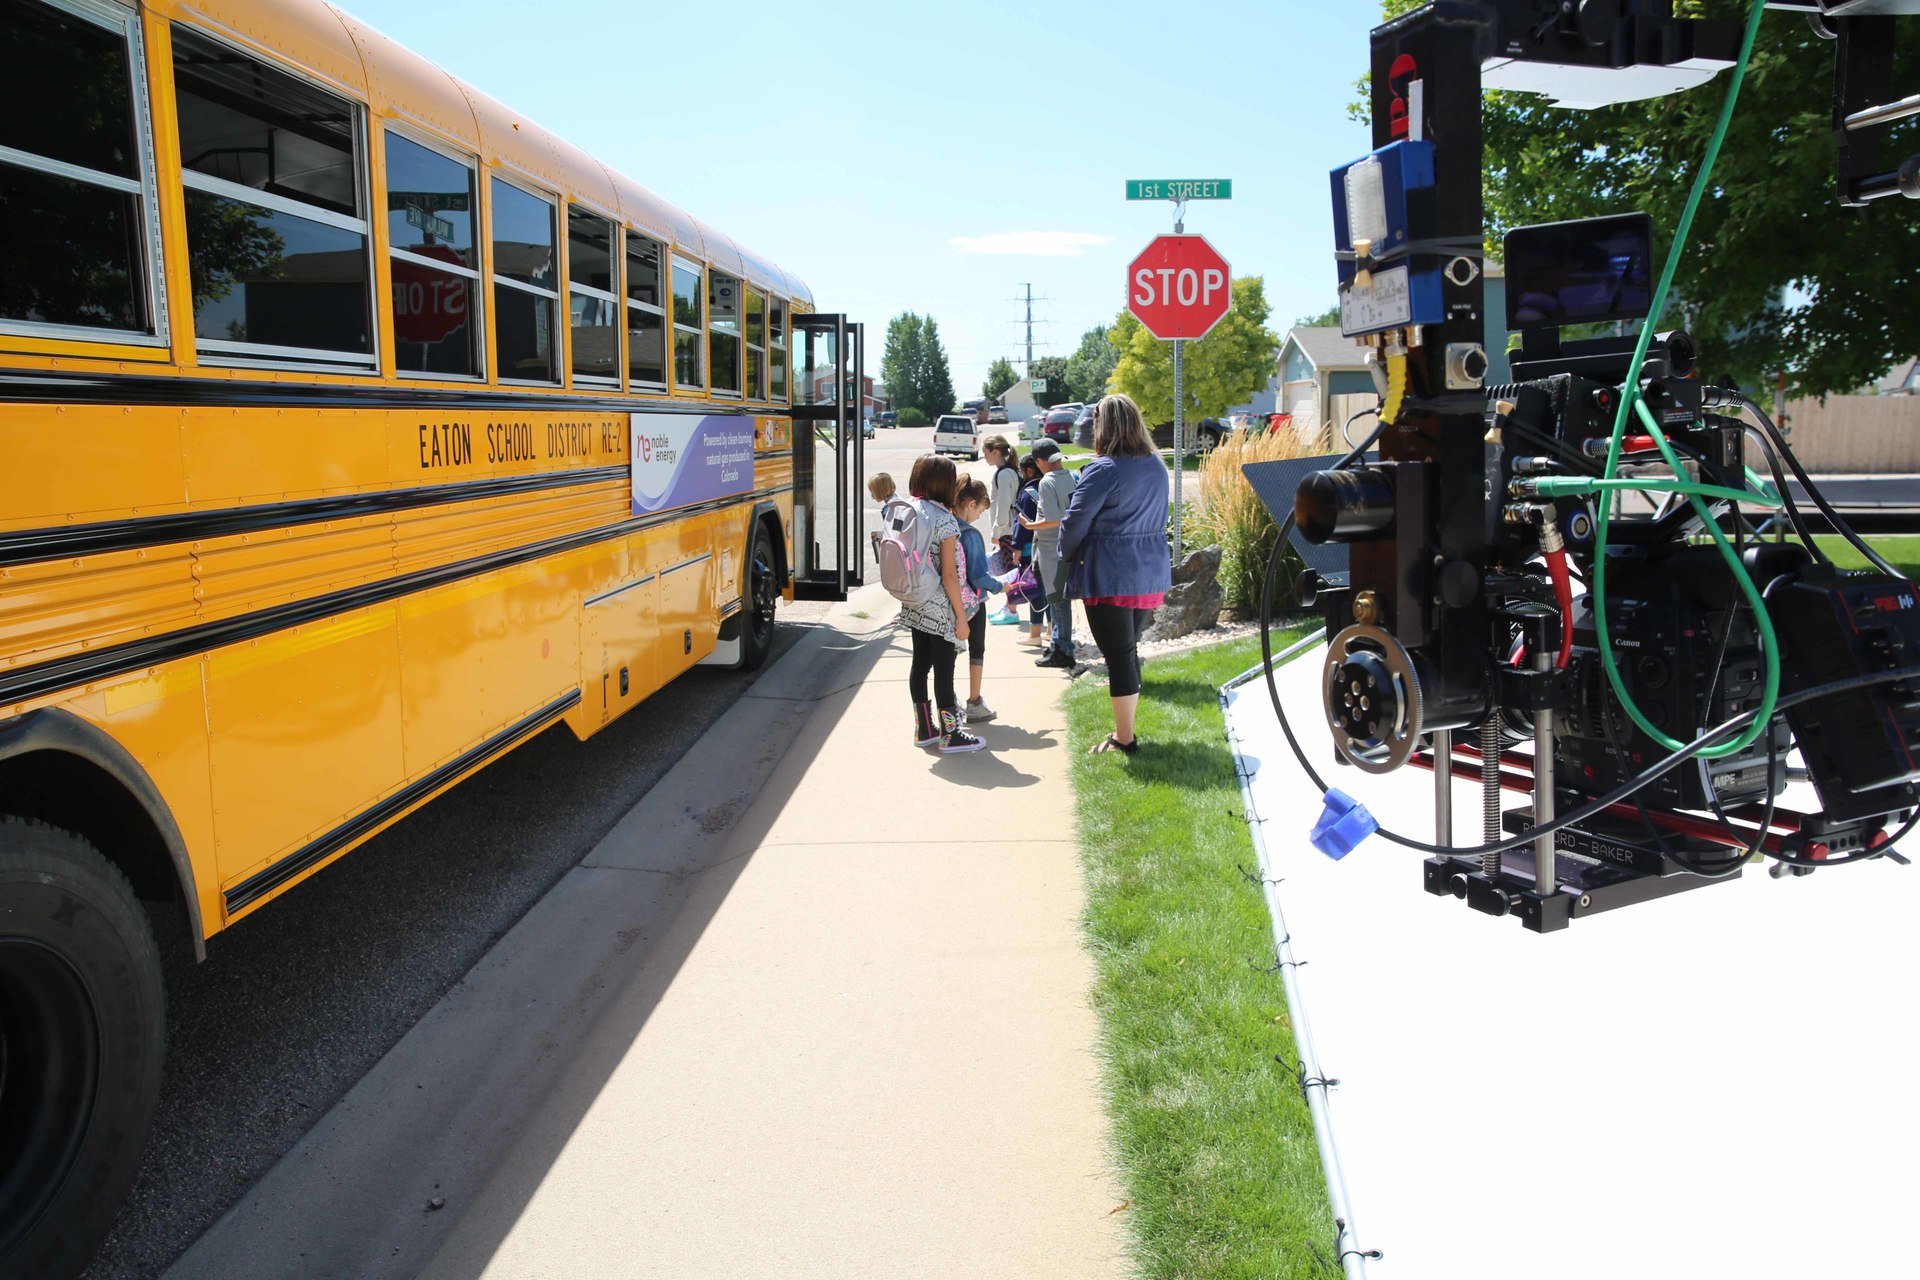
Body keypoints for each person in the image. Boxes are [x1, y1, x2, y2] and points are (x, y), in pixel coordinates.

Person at [1057, 393, 1171, 755]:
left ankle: (1125, 738)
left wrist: (1065, 553)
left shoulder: (1103, 469)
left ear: (1104, 427)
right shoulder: (1155, 465)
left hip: (1110, 576)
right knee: (1126, 652)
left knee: (1119, 656)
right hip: (1148, 574)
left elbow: (1074, 523)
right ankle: (1125, 729)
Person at [899, 455, 984, 754]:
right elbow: (950, 575)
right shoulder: (944, 519)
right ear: (945, 484)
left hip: (913, 601)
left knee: (920, 664)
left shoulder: (909, 510)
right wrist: (962, 619)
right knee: (944, 670)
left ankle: (924, 729)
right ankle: (950, 734)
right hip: (939, 607)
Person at [1018, 439, 1079, 669]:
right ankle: (1057, 644)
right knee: (1061, 601)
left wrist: (1028, 525)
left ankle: (1063, 650)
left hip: (1051, 549)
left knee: (1057, 600)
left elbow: (1053, 520)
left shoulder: (1046, 482)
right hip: (1069, 546)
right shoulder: (1072, 477)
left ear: (1041, 461)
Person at [951, 477, 1006, 722]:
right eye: (981, 510)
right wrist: (1000, 586)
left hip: (947, 600)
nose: (980, 516)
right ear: (971, 503)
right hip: (972, 602)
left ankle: (948, 699)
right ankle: (974, 701)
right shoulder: (970, 534)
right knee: (977, 649)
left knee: (949, 652)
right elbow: (977, 575)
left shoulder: (945, 525)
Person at [999, 455, 1043, 632]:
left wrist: (1016, 548)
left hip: (1028, 550)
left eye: (1022, 471)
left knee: (1033, 589)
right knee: (1046, 591)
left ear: (1029, 471)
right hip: (1045, 547)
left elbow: (1022, 524)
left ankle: (1035, 632)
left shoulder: (1028, 493)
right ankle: (1048, 630)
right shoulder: (1046, 488)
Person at [982, 435, 1022, 625]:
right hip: (1010, 529)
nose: (985, 456)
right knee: (1011, 570)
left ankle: (1012, 610)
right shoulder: (1009, 471)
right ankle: (1008, 606)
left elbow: (1004, 505)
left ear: (995, 451)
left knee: (1011, 572)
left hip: (1007, 531)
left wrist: (997, 532)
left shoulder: (1004, 474)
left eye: (986, 452)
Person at [867, 472, 896, 564]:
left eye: (873, 492)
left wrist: (880, 535)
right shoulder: (893, 503)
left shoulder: (891, 508)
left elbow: (895, 534)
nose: (872, 495)